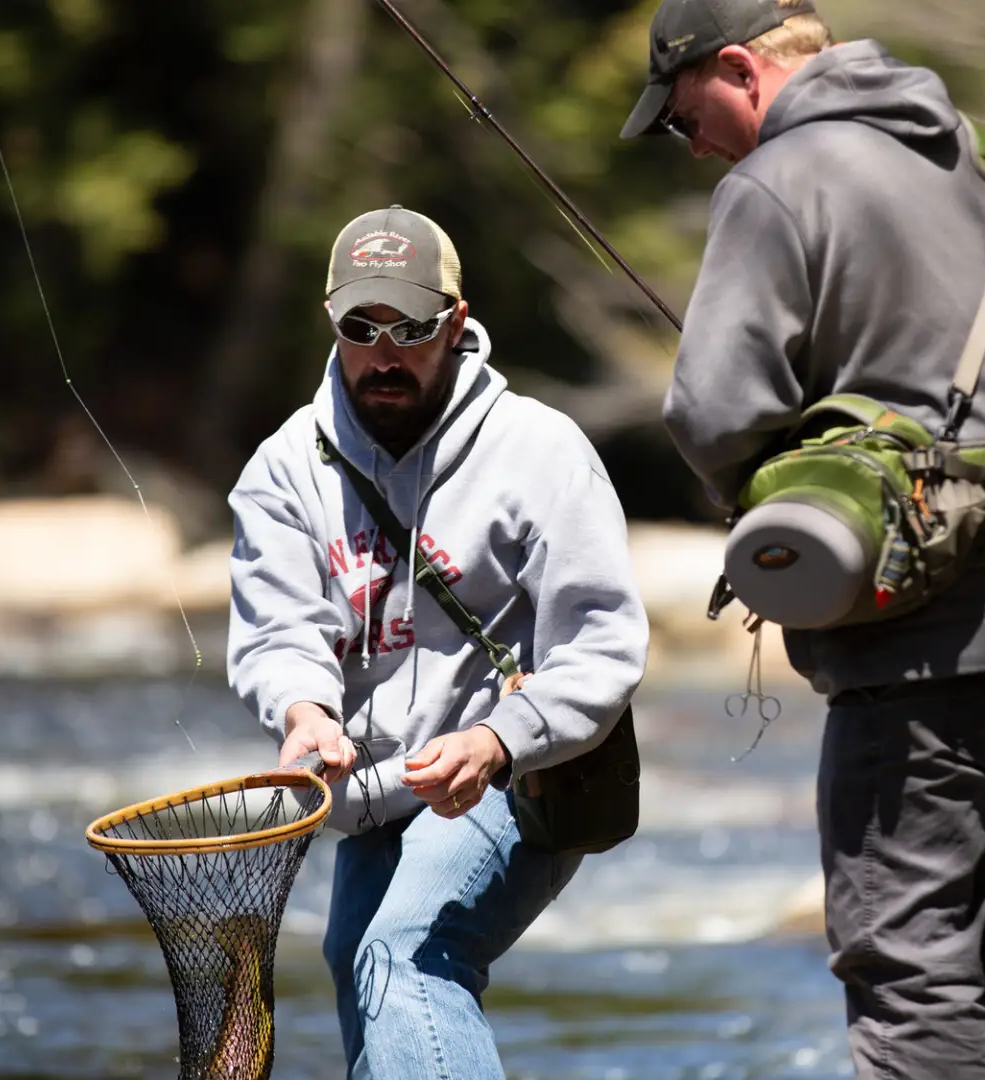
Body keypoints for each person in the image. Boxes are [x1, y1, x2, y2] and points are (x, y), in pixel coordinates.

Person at [620, 2, 985, 1078]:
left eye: (682, 114)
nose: (690, 143)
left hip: (929, 642)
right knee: (978, 930)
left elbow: (710, 416)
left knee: (904, 965)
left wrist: (785, 506)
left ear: (743, 70)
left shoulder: (774, 181)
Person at [223, 204, 650, 1079]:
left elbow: (603, 645)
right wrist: (304, 712)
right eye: (361, 327)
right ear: (331, 322)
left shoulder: (539, 450)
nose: (385, 353)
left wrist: (498, 739)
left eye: (411, 328)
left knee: (406, 958)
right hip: (371, 789)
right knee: (358, 965)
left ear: (456, 324)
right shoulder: (283, 469)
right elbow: (278, 632)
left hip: (515, 773)